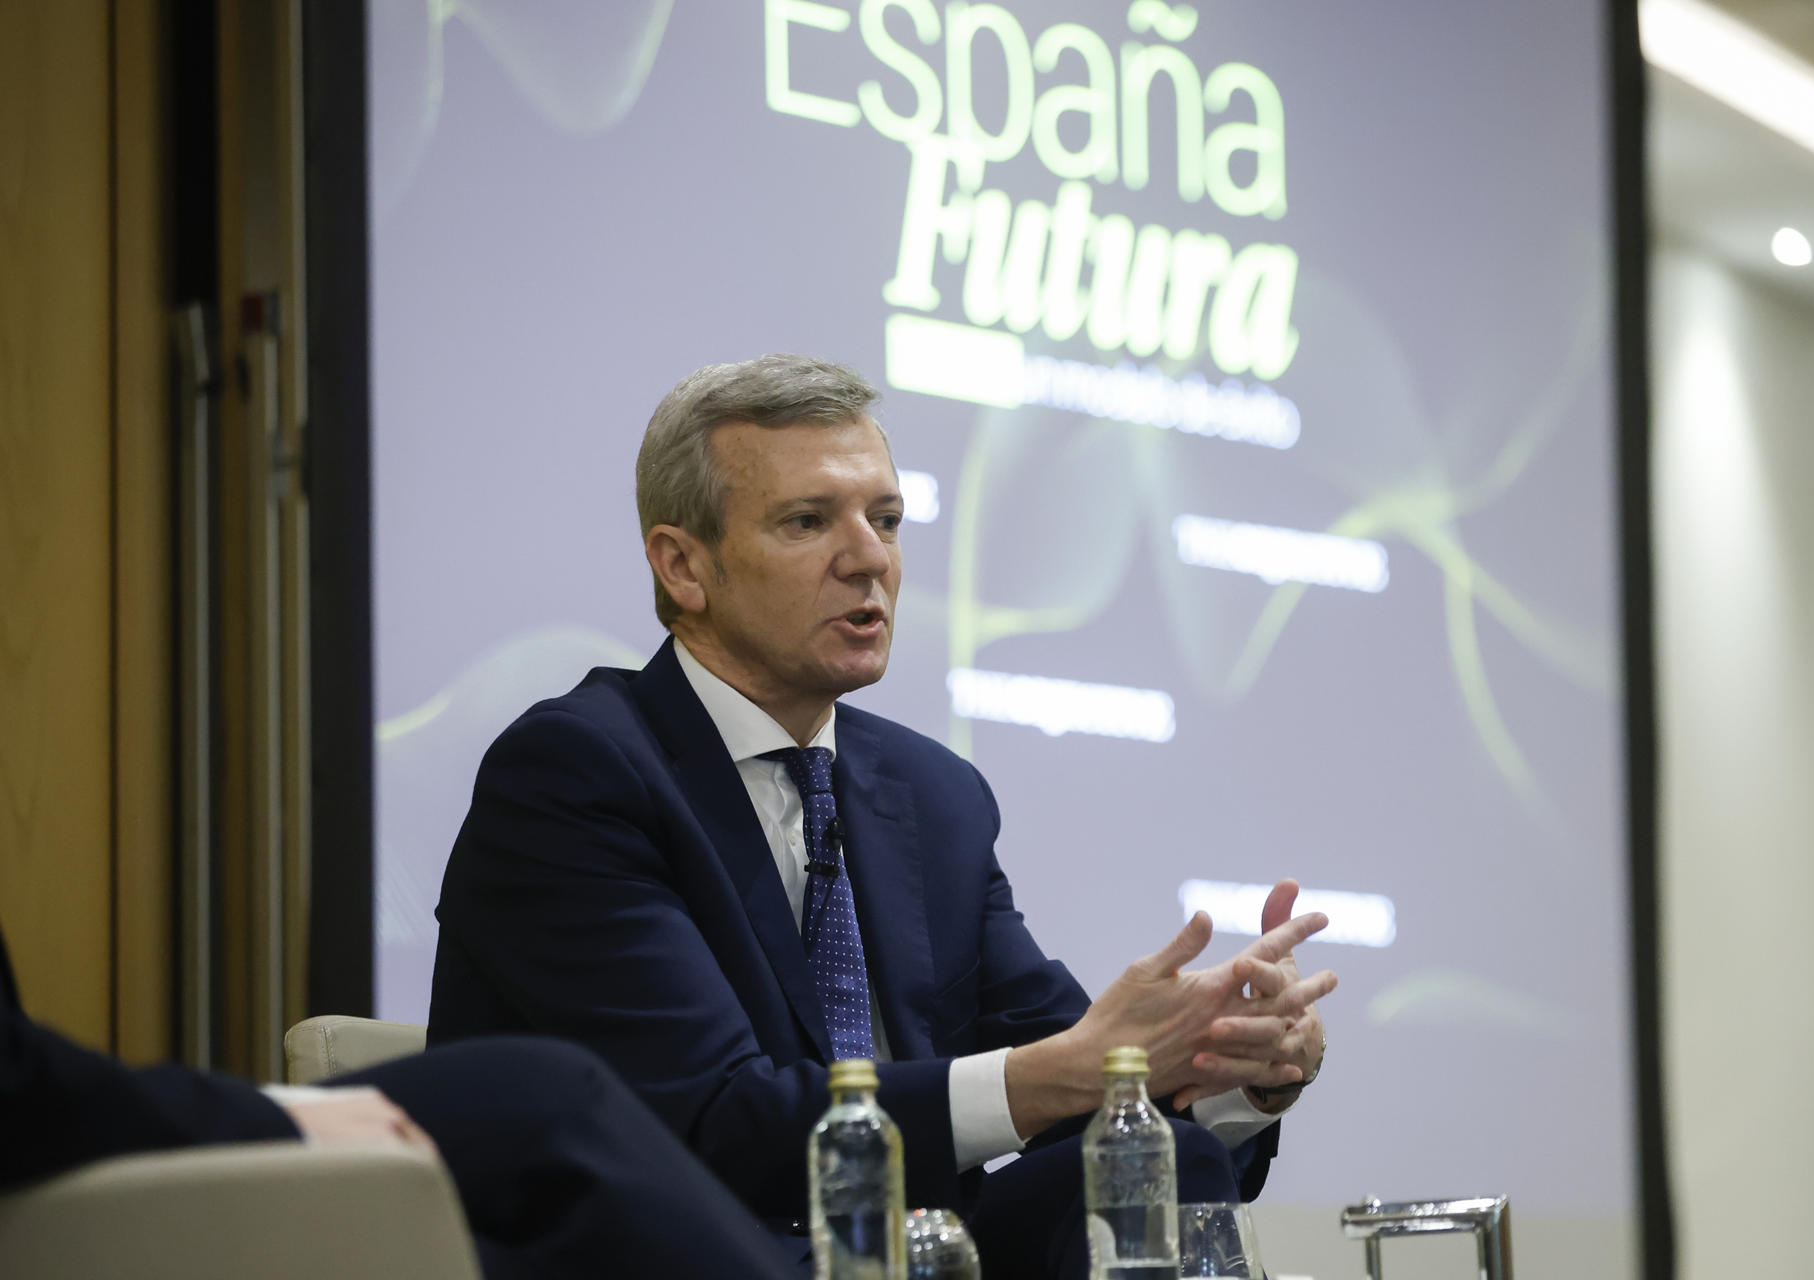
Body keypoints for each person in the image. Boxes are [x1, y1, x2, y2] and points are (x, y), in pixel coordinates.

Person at [427, 354, 1336, 1278]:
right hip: (679, 1252)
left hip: (915, 1260)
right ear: (684, 565)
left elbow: (1082, 1067)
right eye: (809, 521)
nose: (869, 558)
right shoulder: (575, 776)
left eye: (887, 520)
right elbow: (718, 1127)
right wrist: (1063, 1070)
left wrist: (1226, 1070)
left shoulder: (930, 794)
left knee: (1163, 1159)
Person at [0, 922, 803, 1279]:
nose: (874, 563)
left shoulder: (911, 776)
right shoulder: (581, 757)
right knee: (546, 1097)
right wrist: (278, 1117)